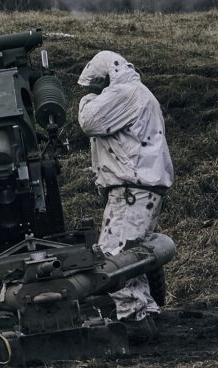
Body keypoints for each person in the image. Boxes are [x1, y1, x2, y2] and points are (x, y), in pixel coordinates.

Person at [77, 50, 174, 344]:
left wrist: (87, 99)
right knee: (133, 257)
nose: (94, 92)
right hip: (141, 188)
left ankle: (134, 321)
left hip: (132, 189)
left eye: (96, 85)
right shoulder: (138, 93)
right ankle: (146, 314)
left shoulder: (125, 93)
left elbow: (89, 121)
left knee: (113, 259)